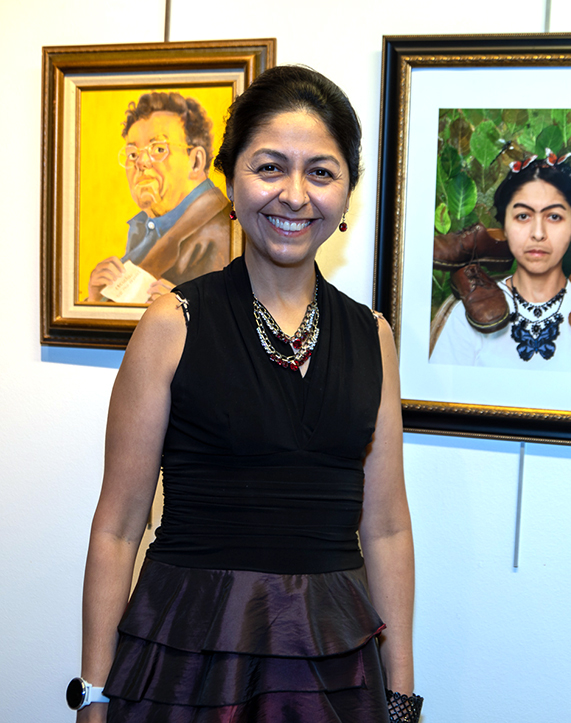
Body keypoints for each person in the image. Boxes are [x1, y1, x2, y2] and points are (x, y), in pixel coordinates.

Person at [70, 66, 421, 723]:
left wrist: (400, 698)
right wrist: (94, 694)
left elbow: (388, 527)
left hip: (331, 669)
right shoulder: (173, 322)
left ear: (347, 191)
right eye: (270, 167)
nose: (294, 195)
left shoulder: (372, 337)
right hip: (188, 658)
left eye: (320, 171)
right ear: (231, 179)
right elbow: (117, 528)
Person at [430, 154, 571, 375]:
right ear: (504, 227)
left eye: (554, 216)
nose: (538, 234)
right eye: (523, 216)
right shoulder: (468, 314)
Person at [87, 91, 230, 303]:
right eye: (133, 154)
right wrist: (95, 302)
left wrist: (187, 311)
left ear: (196, 162)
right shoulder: (144, 228)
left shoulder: (221, 232)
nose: (141, 162)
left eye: (159, 149)